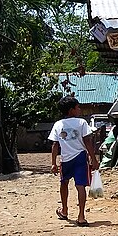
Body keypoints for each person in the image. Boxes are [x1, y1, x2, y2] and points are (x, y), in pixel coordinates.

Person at [49, 96, 99, 226]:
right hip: (80, 158)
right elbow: (87, 142)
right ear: (71, 110)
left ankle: (64, 210)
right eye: (78, 107)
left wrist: (53, 163)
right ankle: (81, 216)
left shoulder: (58, 124)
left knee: (63, 183)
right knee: (80, 186)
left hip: (65, 159)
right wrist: (94, 159)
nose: (79, 110)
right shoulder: (81, 123)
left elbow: (55, 145)